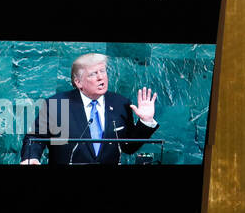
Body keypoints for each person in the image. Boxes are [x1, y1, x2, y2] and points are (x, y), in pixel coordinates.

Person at [20, 52, 158, 165]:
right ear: (78, 82)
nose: (100, 77)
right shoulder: (58, 104)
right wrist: (30, 157)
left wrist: (146, 122)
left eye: (102, 71)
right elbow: (36, 137)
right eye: (93, 74)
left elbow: (129, 147)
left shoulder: (120, 103)